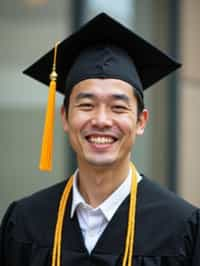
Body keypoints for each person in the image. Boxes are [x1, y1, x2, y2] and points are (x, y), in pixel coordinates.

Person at [0, 13, 199, 266]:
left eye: (118, 107)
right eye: (86, 105)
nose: (102, 120)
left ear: (141, 121)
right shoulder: (24, 222)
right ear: (65, 117)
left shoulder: (181, 227)